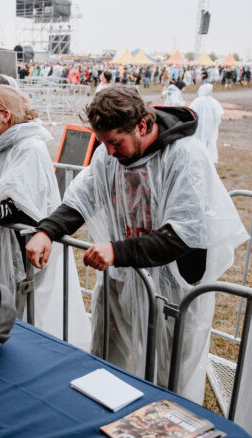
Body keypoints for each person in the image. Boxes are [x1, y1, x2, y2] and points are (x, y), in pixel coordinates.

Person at [25, 86, 248, 403]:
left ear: (142, 126)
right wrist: (46, 231)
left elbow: (185, 234)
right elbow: (82, 198)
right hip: (124, 282)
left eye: (115, 142)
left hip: (174, 293)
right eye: (103, 143)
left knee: (169, 381)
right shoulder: (109, 154)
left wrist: (118, 251)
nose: (109, 151)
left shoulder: (185, 156)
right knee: (111, 366)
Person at [0, 85, 91, 349]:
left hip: (25, 264)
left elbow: (18, 206)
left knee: (28, 325)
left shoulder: (29, 148)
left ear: (4, 115)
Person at [190, 83, 224, 164]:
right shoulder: (214, 102)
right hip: (211, 125)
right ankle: (210, 157)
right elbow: (218, 115)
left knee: (200, 140)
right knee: (210, 140)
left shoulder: (197, 101)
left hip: (200, 125)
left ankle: (200, 156)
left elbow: (191, 112)